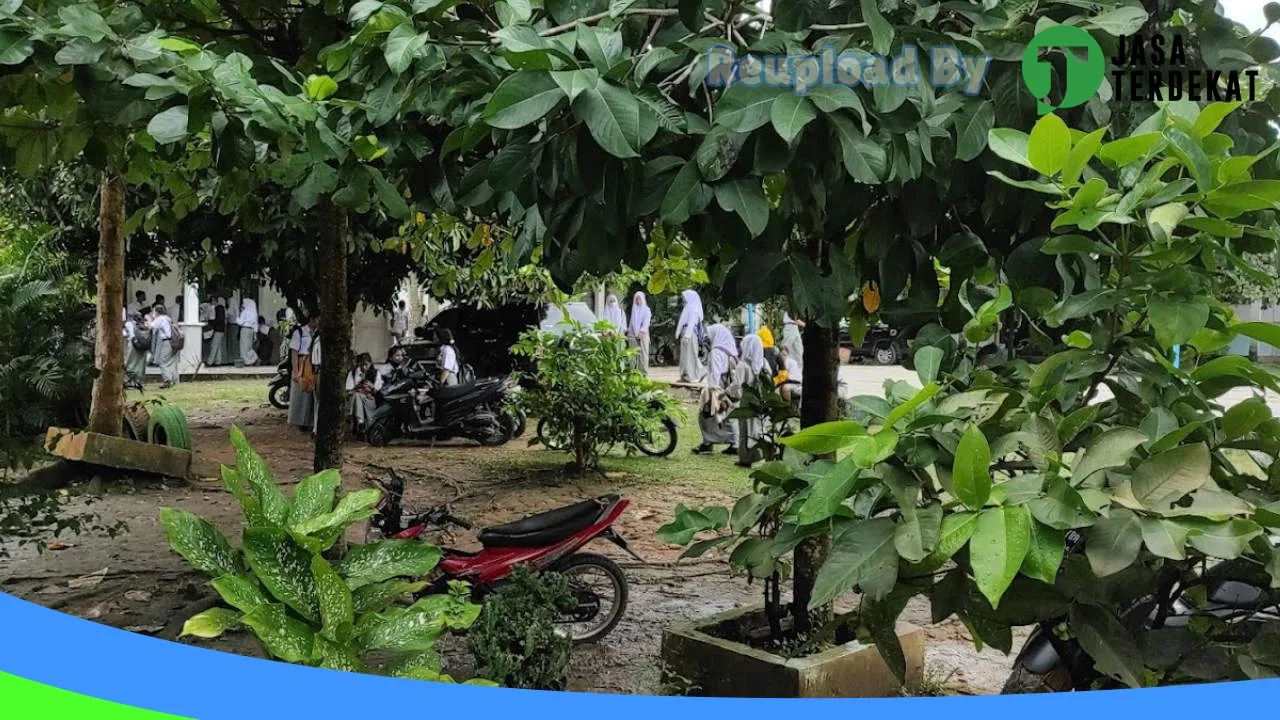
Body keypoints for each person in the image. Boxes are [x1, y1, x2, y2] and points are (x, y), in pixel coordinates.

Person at [693, 324, 739, 455]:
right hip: (725, 387)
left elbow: (715, 375)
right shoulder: (729, 352)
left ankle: (708, 443)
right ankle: (734, 443)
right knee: (726, 416)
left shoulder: (716, 352)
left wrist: (711, 393)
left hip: (716, 389)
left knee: (706, 415)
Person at [731, 334, 767, 466]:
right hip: (760, 400)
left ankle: (745, 458)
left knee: (744, 430)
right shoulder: (763, 363)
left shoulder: (743, 365)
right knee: (758, 428)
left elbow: (736, 385)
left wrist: (725, 394)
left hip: (746, 400)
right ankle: (759, 454)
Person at [287, 315, 317, 432]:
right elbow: (294, 352)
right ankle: (300, 422)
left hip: (313, 363)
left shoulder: (318, 333)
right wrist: (295, 371)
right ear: (312, 319)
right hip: (303, 363)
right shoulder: (300, 332)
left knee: (312, 394)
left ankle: (311, 421)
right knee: (301, 393)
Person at [346, 353, 383, 436]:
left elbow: (378, 391)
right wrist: (358, 385)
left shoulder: (375, 373)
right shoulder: (353, 373)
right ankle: (361, 422)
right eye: (361, 365)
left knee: (357, 396)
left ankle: (359, 421)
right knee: (357, 395)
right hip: (356, 399)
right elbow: (348, 390)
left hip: (369, 400)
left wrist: (371, 387)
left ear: (370, 363)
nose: (364, 367)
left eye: (366, 365)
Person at [676, 289, 706, 383]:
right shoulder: (688, 307)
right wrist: (678, 333)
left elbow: (692, 323)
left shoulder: (694, 308)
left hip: (690, 333)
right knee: (685, 355)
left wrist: (687, 336)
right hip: (685, 332)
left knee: (690, 354)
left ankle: (696, 373)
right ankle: (685, 375)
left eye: (685, 296)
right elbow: (682, 322)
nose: (683, 298)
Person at [150, 306, 179, 388]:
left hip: (166, 342)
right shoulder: (167, 318)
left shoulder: (160, 319)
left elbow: (151, 326)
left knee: (162, 361)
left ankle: (168, 380)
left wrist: (148, 319)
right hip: (172, 341)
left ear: (157, 312)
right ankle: (173, 379)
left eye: (154, 312)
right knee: (170, 361)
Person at [628, 291, 652, 374]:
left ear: (643, 300)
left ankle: (643, 372)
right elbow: (632, 323)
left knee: (643, 354)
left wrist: (641, 332)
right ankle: (633, 372)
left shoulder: (646, 310)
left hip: (643, 335)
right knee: (633, 354)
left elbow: (646, 322)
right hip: (633, 335)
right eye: (636, 299)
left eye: (639, 299)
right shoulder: (634, 310)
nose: (638, 301)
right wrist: (632, 333)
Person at [125, 311, 150, 386]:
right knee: (141, 363)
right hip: (143, 345)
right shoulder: (144, 324)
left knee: (131, 362)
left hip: (133, 345)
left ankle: (130, 381)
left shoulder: (129, 324)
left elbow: (131, 335)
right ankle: (140, 380)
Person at [236, 297, 258, 366]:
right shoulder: (254, 312)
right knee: (249, 346)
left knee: (243, 347)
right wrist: (255, 334)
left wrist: (237, 317)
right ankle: (252, 358)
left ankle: (247, 361)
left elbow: (240, 322)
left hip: (245, 329)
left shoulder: (245, 311)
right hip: (251, 330)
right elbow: (255, 324)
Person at [205, 301, 227, 366]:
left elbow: (218, 320)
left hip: (218, 330)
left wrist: (210, 321)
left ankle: (209, 361)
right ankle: (218, 361)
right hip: (221, 330)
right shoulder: (221, 308)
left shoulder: (218, 308)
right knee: (218, 346)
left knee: (214, 346)